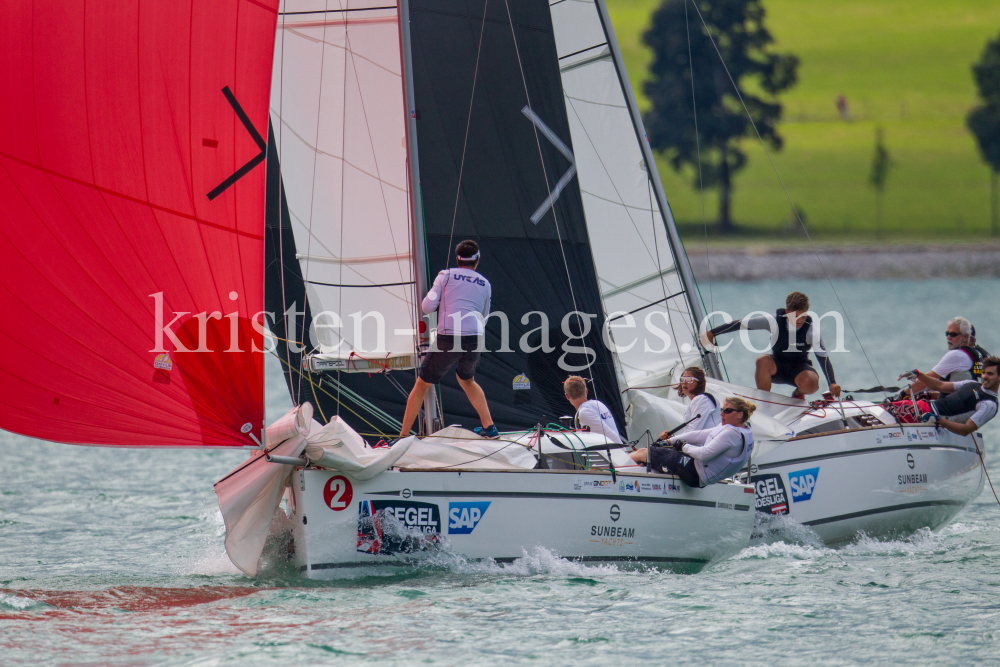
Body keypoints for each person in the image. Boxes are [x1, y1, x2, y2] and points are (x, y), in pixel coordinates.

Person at [399, 240, 498, 439]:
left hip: (449, 337)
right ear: (477, 259)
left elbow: (427, 307)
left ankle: (402, 437)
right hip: (475, 338)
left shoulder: (445, 275)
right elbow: (484, 317)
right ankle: (490, 428)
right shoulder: (485, 283)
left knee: (422, 384)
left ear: (457, 258)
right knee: (467, 380)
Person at [700, 291, 840, 399]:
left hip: (799, 369)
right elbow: (742, 324)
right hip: (776, 367)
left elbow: (823, 357)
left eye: (802, 316)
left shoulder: (811, 330)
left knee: (812, 383)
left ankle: (798, 395)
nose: (799, 320)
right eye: (795, 316)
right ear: (787, 312)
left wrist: (832, 382)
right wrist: (712, 333)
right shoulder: (773, 321)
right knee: (762, 360)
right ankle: (765, 401)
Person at [629, 397, 755, 488]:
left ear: (740, 414)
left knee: (643, 453)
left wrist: (683, 446)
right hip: (698, 470)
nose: (721, 413)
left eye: (727, 411)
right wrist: (670, 441)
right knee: (655, 452)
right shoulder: (744, 429)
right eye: (722, 409)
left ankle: (615, 470)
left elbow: (704, 454)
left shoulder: (732, 434)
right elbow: (699, 435)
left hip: (694, 473)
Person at [893, 357, 999, 435]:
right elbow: (940, 385)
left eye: (990, 374)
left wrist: (938, 419)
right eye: (984, 373)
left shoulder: (990, 405)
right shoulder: (971, 383)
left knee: (886, 415)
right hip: (922, 407)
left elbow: (966, 430)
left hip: (929, 417)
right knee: (881, 412)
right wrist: (918, 374)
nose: (984, 376)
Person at [909, 317, 982, 392]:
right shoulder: (980, 354)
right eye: (947, 334)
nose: (948, 337)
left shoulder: (957, 355)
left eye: (953, 334)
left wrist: (903, 394)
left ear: (966, 337)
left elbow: (927, 379)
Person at [655, 366, 720, 439]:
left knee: (646, 450)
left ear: (699, 383)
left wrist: (671, 440)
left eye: (689, 379)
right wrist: (672, 438)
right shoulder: (698, 401)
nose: (684, 382)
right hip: (700, 445)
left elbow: (693, 431)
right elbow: (690, 432)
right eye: (682, 379)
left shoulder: (702, 399)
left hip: (706, 446)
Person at [563, 376, 622, 444]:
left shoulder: (584, 413)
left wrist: (624, 454)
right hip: (616, 450)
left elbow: (611, 437)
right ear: (586, 391)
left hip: (614, 452)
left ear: (566, 396)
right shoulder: (599, 404)